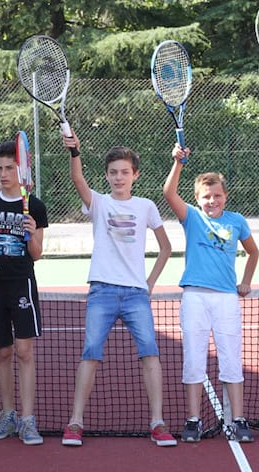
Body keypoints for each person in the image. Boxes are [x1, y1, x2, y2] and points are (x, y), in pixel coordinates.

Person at [60, 131, 177, 447]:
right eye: (113, 172)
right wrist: (75, 152)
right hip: (102, 291)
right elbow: (78, 180)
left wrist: (149, 283)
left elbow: (166, 248)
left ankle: (158, 422)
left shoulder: (146, 206)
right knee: (90, 353)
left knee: (150, 353)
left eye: (125, 172)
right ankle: (75, 422)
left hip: (136, 294)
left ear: (135, 174)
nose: (119, 177)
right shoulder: (98, 202)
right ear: (107, 176)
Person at [163, 144, 259, 443]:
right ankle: (193, 420)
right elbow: (168, 193)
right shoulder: (191, 217)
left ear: (225, 196)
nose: (212, 200)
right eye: (206, 196)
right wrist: (178, 163)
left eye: (217, 195)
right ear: (197, 199)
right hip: (195, 298)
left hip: (226, 299)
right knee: (194, 359)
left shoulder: (236, 221)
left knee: (231, 359)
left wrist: (245, 281)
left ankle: (239, 419)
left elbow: (253, 253)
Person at [0, 139, 48, 446]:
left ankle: (28, 420)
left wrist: (31, 234)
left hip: (21, 284)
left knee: (24, 352)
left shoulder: (35, 206)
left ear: (22, 169)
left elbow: (37, 253)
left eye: (10, 168)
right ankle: (8, 414)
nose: (4, 174)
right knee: (2, 352)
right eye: (0, 168)